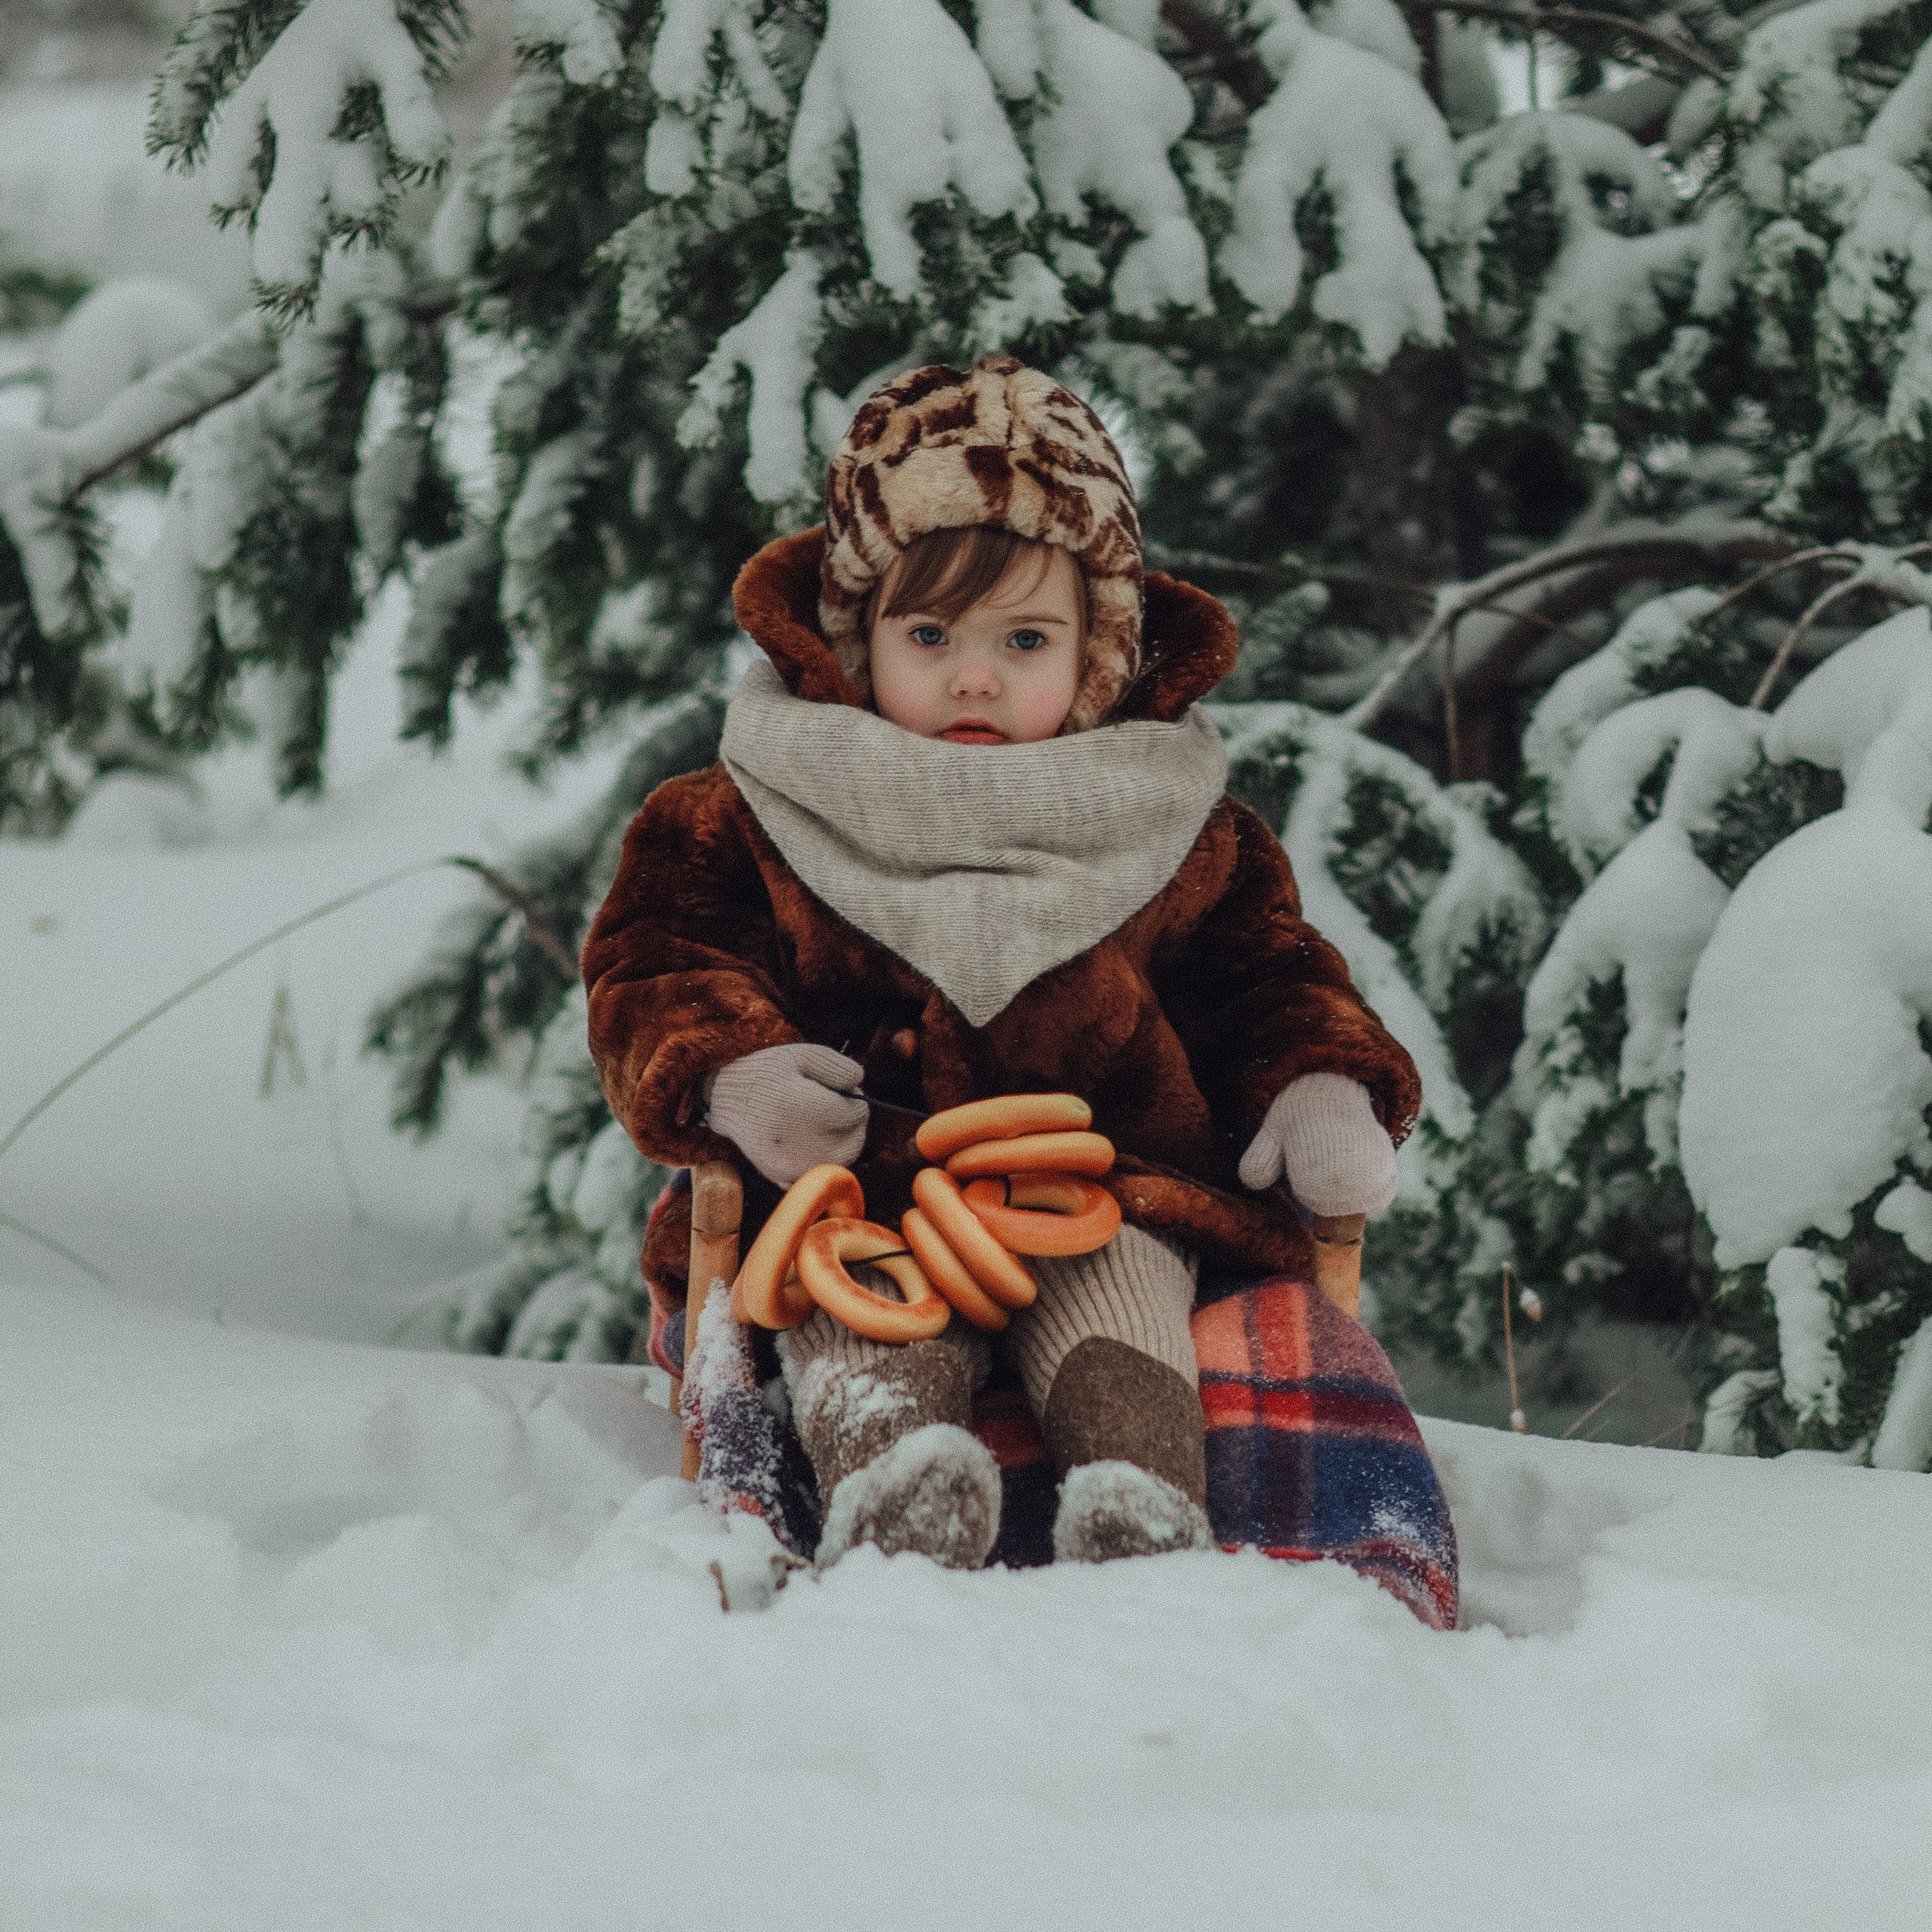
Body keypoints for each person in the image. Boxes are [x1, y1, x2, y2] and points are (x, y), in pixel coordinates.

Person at [583, 355, 1421, 1571]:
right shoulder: (746, 810)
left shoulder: (1177, 826)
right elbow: (657, 965)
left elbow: (1268, 979)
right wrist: (735, 1073)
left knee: (1127, 1298)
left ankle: (1139, 1499)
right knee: (854, 1318)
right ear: (859, 640)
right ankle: (898, 1491)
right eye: (931, 634)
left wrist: (1319, 1081)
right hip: (856, 1194)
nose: (976, 674)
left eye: (1025, 638)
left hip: (1101, 1191)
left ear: (1097, 655)